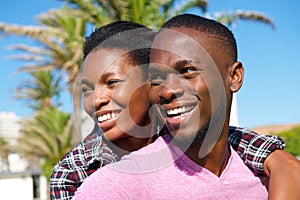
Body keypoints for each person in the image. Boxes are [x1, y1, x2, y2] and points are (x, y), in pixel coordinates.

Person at [51, 20, 295, 200]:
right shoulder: (75, 172)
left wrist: (280, 161)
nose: (96, 100)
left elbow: (229, 138)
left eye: (113, 83)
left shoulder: (249, 165)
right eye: (86, 89)